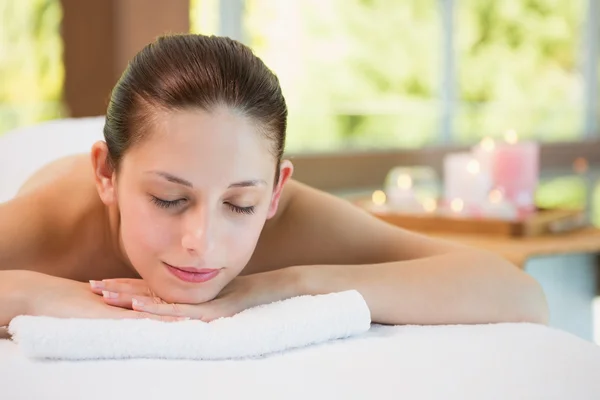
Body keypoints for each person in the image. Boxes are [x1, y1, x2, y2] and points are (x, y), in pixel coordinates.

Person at [0, 34, 548, 329]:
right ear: (106, 174)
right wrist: (37, 291)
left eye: (239, 204)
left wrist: (281, 285)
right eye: (170, 198)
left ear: (276, 189)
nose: (203, 241)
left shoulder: (291, 219)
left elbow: (518, 294)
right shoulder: (52, 224)